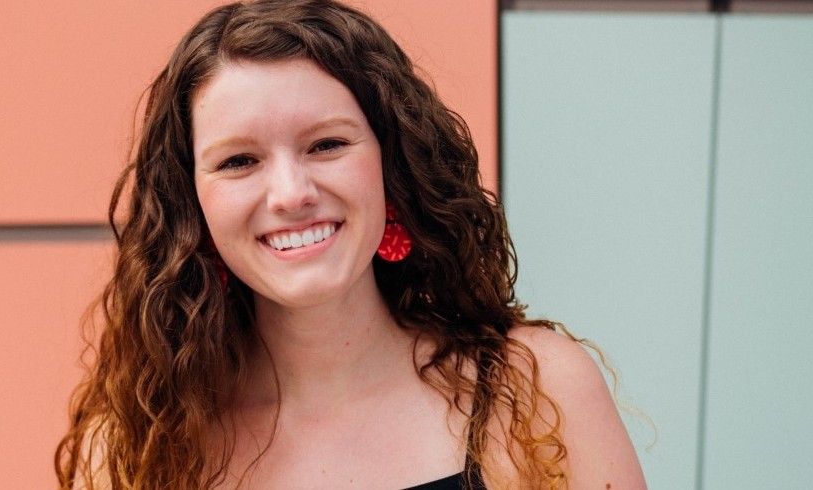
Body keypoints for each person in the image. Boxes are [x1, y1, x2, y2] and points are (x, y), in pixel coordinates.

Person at [56, 1, 645, 488]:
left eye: (327, 145)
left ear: (394, 162)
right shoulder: (133, 450)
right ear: (194, 206)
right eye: (239, 161)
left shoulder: (535, 392)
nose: (290, 194)